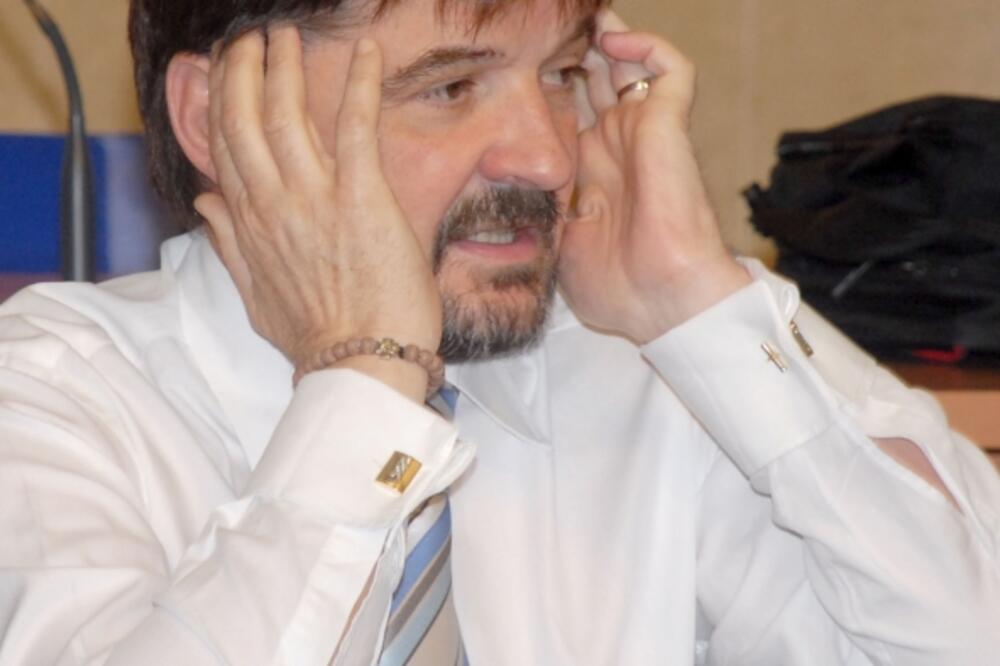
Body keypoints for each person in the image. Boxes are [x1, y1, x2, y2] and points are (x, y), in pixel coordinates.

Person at [1, 0, 998, 663]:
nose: (548, 159)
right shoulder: (52, 401)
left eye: (561, 75)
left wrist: (701, 304)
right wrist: (366, 382)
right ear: (220, 118)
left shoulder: (637, 367)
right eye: (449, 89)